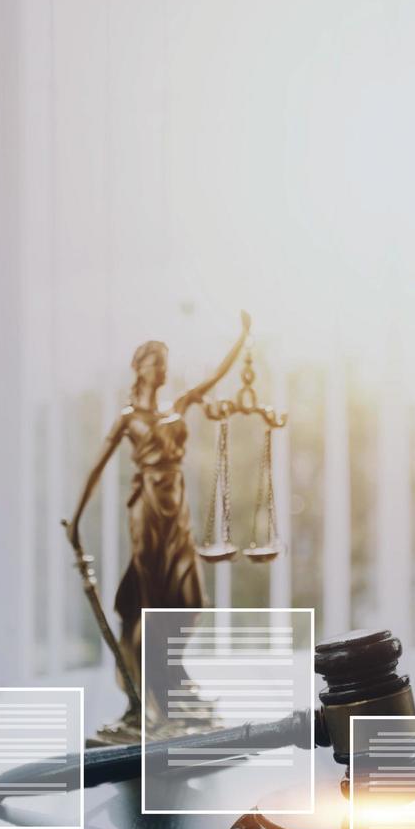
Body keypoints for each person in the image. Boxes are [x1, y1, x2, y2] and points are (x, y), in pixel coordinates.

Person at [66, 312, 251, 740]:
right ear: (141, 368)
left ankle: (167, 687)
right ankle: (151, 700)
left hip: (177, 507)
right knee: (151, 606)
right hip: (146, 508)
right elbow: (96, 468)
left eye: (165, 361)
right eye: (156, 361)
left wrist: (242, 338)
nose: (163, 368)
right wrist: (75, 522)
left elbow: (213, 380)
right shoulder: (129, 418)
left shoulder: (180, 405)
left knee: (190, 601)